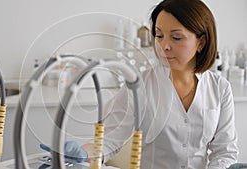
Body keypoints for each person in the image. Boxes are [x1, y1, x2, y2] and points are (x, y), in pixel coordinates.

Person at [41, 0, 242, 168]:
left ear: (201, 43)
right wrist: (83, 154)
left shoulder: (220, 88)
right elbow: (109, 140)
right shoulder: (138, 86)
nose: (165, 46)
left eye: (176, 37)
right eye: (159, 35)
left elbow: (224, 152)